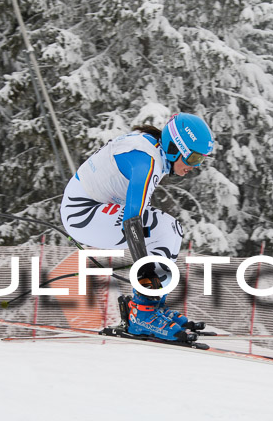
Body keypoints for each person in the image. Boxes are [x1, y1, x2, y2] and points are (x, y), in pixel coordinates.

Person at [60, 113, 214, 342]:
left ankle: (150, 309)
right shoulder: (147, 161)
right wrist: (146, 272)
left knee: (170, 230)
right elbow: (132, 221)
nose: (195, 166)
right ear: (175, 148)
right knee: (163, 229)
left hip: (93, 208)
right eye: (192, 159)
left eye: (201, 160)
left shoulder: (155, 152)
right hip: (83, 212)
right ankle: (143, 314)